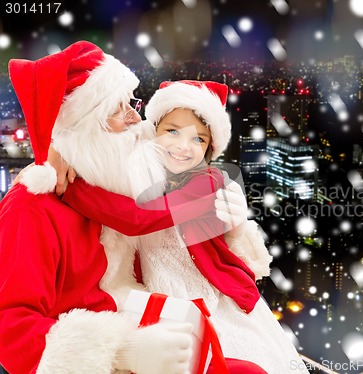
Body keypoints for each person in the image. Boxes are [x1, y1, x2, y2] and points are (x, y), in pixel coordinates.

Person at [0, 42, 248, 373]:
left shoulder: (118, 181)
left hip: (152, 327)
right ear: (85, 125)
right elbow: (10, 328)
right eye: (118, 110)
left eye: (131, 104)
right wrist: (120, 353)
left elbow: (163, 142)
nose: (135, 118)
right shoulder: (32, 206)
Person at [59, 80, 310, 374]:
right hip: (165, 300)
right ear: (153, 132)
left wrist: (71, 189)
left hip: (215, 301)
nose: (183, 146)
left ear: (209, 149)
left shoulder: (208, 182)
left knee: (240, 361)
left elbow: (138, 219)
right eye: (172, 131)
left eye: (199, 139)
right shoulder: (140, 170)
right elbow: (101, 145)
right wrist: (61, 152)